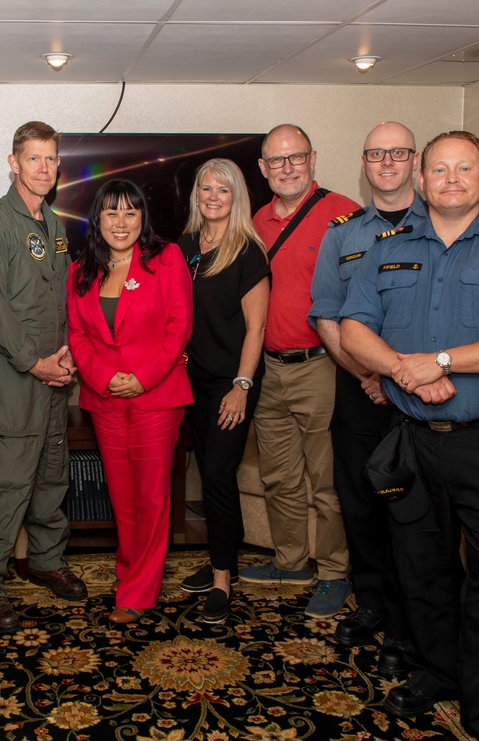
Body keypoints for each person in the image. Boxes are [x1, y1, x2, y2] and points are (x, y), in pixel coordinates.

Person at [341, 130, 479, 741]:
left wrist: (439, 361)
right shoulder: (387, 249)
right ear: (420, 179)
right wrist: (398, 367)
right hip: (416, 440)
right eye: (439, 170)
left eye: (464, 168)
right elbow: (354, 327)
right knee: (422, 570)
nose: (451, 179)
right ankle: (436, 673)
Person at [308, 121, 427, 673]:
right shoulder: (344, 233)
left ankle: (414, 620)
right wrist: (368, 374)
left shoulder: (443, 224)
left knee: (416, 510)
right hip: (360, 391)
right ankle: (374, 604)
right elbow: (327, 315)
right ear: (364, 162)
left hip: (426, 394)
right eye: (376, 154)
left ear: (414, 160)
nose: (386, 163)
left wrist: (400, 376)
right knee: (360, 501)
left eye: (396, 153)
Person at [0, 121, 87, 633]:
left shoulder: (55, 225)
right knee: (7, 480)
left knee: (51, 472)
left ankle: (46, 560)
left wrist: (63, 359)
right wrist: (35, 363)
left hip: (53, 374)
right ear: (13, 163)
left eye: (51, 159)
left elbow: (59, 302)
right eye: (33, 158)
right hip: (12, 378)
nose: (43, 168)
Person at [244, 124, 359, 620]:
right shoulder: (256, 221)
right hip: (268, 369)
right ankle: (292, 562)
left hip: (322, 367)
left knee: (327, 479)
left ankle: (335, 571)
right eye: (276, 160)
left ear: (313, 159)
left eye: (295, 158)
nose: (286, 168)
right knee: (280, 477)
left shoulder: (345, 214)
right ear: (262, 168)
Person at [67, 179, 193, 625]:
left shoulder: (167, 259)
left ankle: (137, 594)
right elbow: (77, 336)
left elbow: (179, 326)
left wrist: (141, 379)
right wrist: (105, 378)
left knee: (153, 499)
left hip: (156, 398)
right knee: (122, 500)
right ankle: (131, 575)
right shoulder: (81, 269)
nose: (121, 222)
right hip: (105, 399)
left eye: (131, 212)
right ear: (97, 219)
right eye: (112, 212)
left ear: (143, 218)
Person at [177, 159, 270, 624]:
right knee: (206, 473)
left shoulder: (249, 252)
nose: (212, 196)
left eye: (223, 190)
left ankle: (221, 582)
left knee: (216, 473)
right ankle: (222, 559)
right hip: (191, 380)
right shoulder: (186, 245)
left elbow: (256, 329)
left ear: (237, 198)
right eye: (205, 188)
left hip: (232, 382)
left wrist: (242, 386)